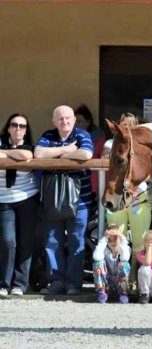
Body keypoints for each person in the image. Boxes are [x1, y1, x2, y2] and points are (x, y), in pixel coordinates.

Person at [35, 105, 94, 295]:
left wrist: (57, 155)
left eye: (68, 118)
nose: (65, 121)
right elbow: (38, 154)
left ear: (74, 120)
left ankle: (74, 284)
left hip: (81, 200)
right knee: (52, 242)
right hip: (51, 199)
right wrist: (67, 150)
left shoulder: (83, 134)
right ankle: (56, 282)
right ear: (54, 121)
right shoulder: (48, 135)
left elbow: (86, 154)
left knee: (77, 241)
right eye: (60, 118)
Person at [103, 112, 151, 287]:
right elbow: (105, 160)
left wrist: (132, 181)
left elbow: (149, 173)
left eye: (130, 125)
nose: (126, 129)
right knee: (117, 237)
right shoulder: (110, 143)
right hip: (116, 195)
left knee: (140, 239)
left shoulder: (142, 147)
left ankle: (138, 280)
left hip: (138, 195)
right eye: (123, 125)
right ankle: (117, 281)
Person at [0, 114, 39, 296]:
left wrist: (6, 153)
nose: (18, 129)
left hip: (27, 197)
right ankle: (4, 284)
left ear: (26, 129)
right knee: (8, 242)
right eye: (14, 125)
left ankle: (19, 285)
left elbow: (26, 155)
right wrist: (13, 154)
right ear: (8, 127)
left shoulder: (29, 146)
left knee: (25, 242)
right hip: (4, 199)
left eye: (22, 126)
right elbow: (20, 156)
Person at [92, 224, 131, 304]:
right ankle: (102, 292)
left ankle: (123, 293)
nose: (112, 242)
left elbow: (125, 258)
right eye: (110, 239)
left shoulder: (124, 248)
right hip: (107, 281)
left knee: (124, 263)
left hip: (118, 282)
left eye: (115, 239)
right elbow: (96, 257)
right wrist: (105, 239)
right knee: (98, 263)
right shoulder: (104, 249)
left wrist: (121, 236)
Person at [74, 104, 106, 196]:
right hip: (75, 179)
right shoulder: (70, 136)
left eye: (79, 121)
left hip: (93, 180)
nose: (76, 124)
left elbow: (96, 155)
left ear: (88, 122)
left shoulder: (98, 137)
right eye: (75, 121)